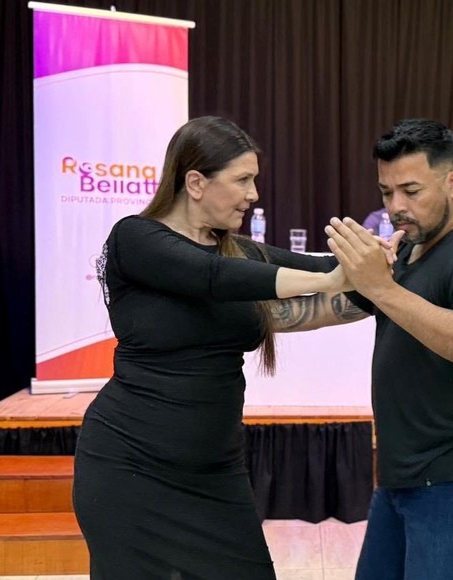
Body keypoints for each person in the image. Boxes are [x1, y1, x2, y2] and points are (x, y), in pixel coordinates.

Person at [72, 116, 354, 579]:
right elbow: (212, 277)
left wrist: (389, 267)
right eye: (242, 180)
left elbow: (322, 266)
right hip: (129, 468)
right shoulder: (136, 239)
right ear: (196, 183)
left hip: (216, 474)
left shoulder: (238, 252)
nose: (253, 194)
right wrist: (330, 279)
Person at [275, 119, 453, 580]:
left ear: (452, 183)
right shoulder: (409, 247)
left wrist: (383, 288)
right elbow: (322, 310)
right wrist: (227, 314)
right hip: (403, 472)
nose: (395, 207)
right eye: (387, 192)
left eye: (411, 190)